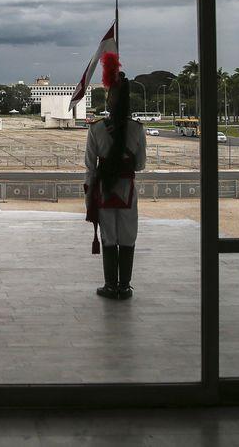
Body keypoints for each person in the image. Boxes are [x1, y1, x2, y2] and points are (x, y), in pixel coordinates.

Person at [85, 52, 147, 300]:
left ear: (110, 101)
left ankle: (111, 285)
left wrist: (89, 193)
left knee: (109, 237)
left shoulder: (97, 129)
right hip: (128, 190)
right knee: (128, 237)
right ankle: (125, 285)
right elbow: (140, 165)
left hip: (104, 190)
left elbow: (90, 165)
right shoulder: (137, 129)